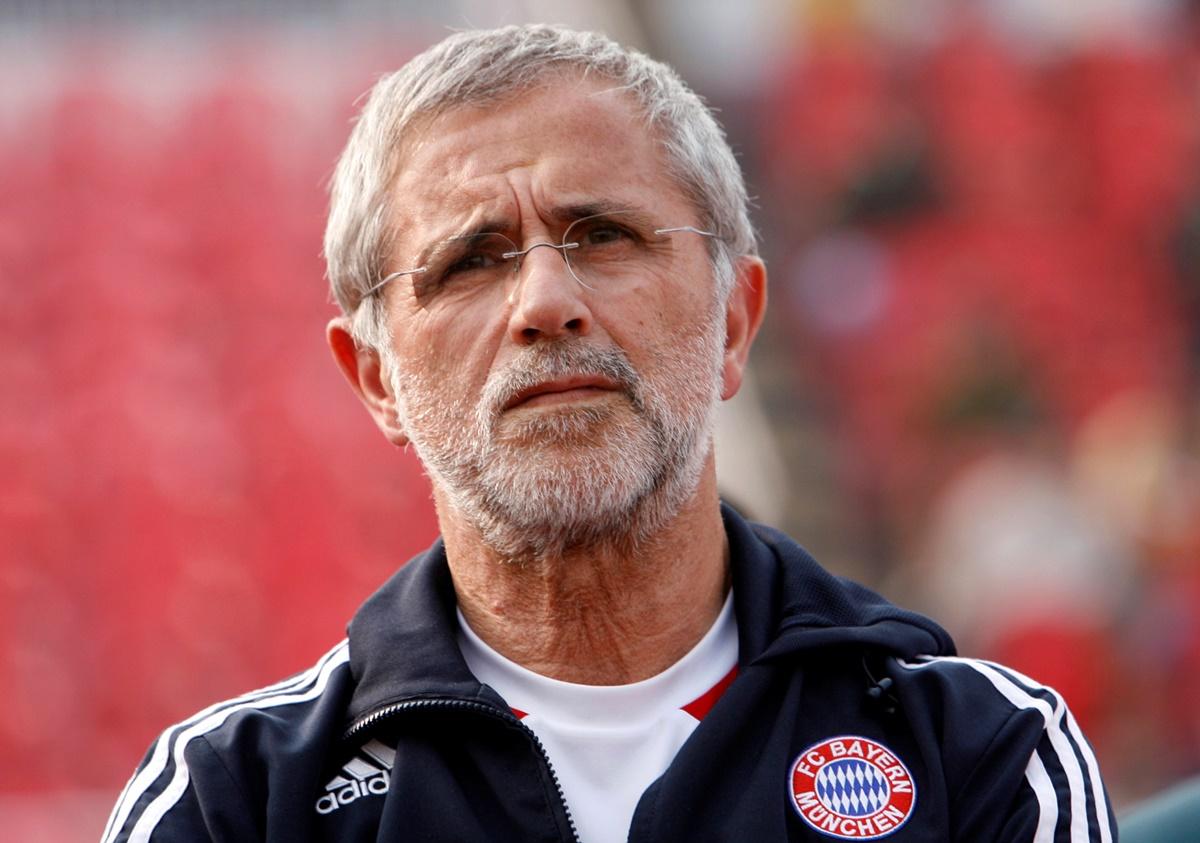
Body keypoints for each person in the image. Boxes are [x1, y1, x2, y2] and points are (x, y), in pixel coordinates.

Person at [104, 24, 1116, 842]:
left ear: (733, 321)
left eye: (604, 235)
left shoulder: (985, 753)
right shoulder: (227, 802)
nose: (546, 301)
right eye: (470, 261)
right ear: (377, 380)